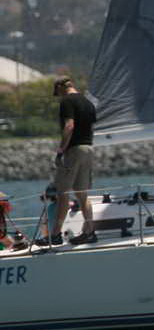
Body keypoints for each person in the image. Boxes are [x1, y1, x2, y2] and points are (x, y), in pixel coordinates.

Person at [50, 77, 97, 246]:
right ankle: (90, 232)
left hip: (74, 150)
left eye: (57, 92)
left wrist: (61, 150)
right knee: (82, 194)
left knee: (63, 193)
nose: (59, 96)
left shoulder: (67, 101)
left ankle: (55, 235)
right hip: (88, 148)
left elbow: (69, 125)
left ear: (61, 87)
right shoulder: (88, 103)